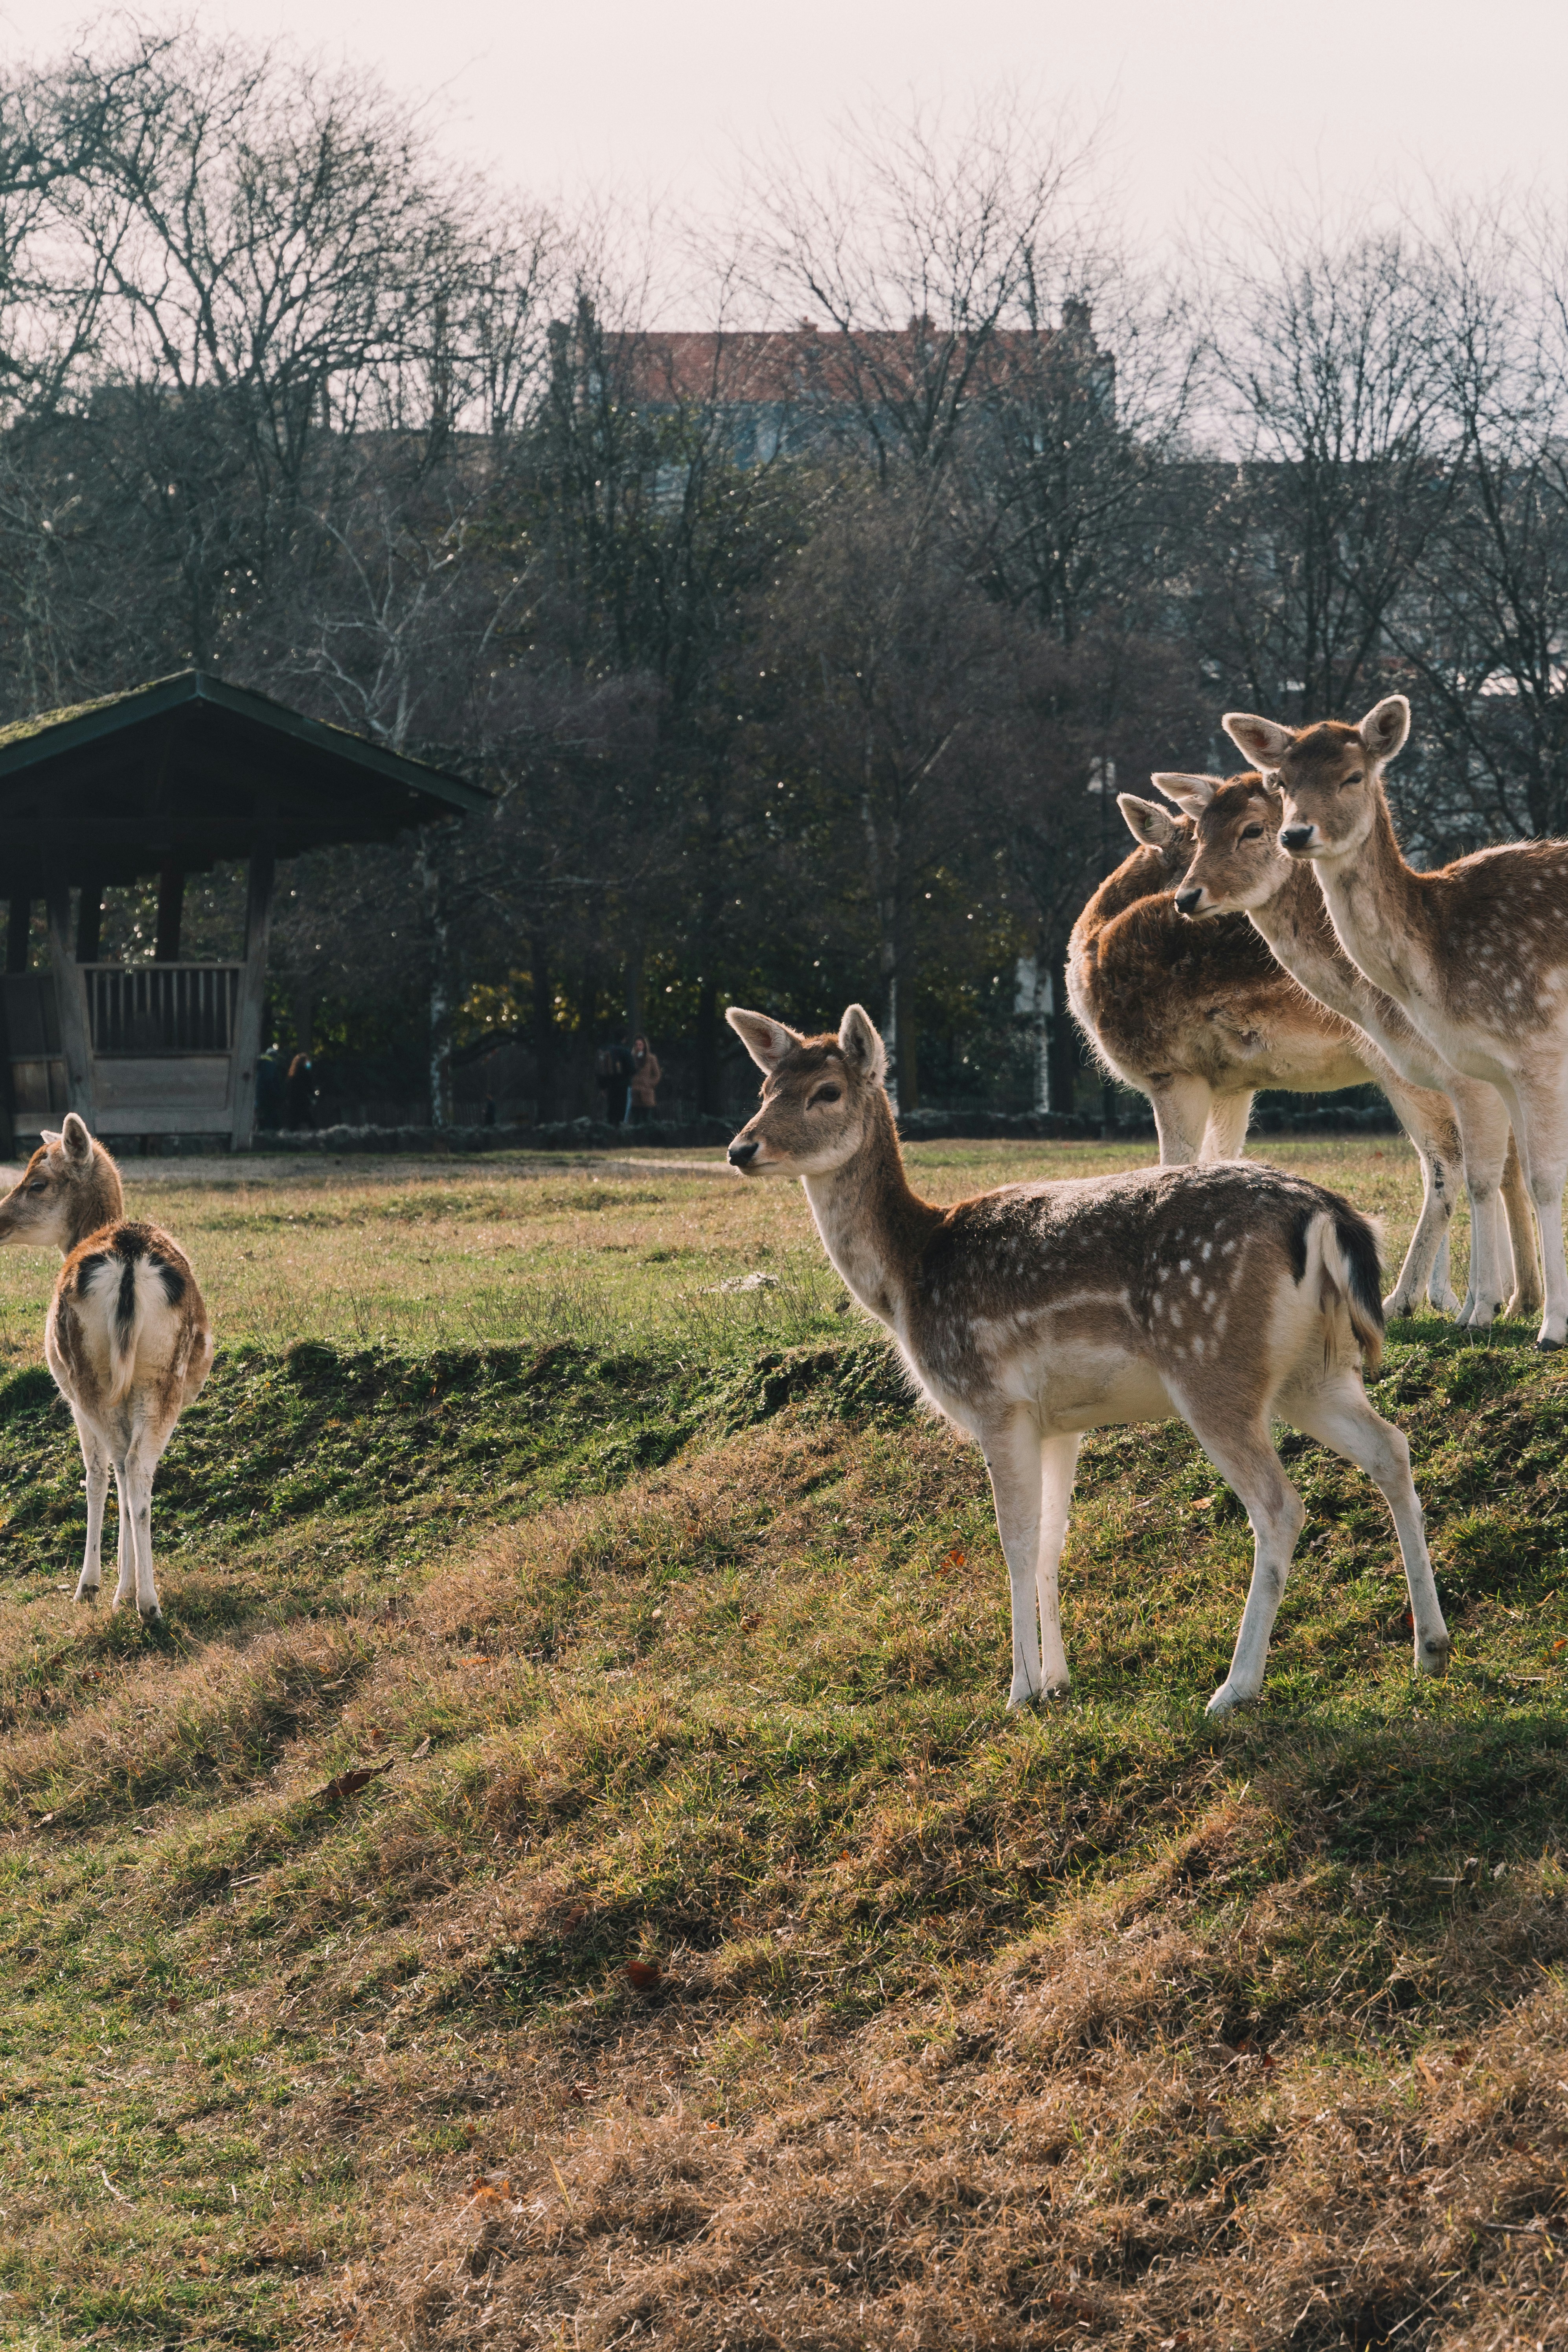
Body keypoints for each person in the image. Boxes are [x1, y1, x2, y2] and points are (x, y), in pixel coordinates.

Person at [626, 1035, 660, 1125]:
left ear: (645, 1046)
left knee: (647, 1121)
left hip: (647, 1094)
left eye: (641, 1045)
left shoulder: (651, 1059)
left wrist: (649, 1084)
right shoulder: (631, 1058)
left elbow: (657, 1075)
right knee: (635, 1121)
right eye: (637, 1045)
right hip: (634, 1094)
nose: (639, 1047)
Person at [254, 1042, 284, 1131]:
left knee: (264, 1115)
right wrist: (276, 1093)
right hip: (269, 1095)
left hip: (260, 1094)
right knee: (270, 1116)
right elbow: (270, 1080)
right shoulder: (270, 1064)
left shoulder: (261, 1063)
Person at [283, 1053, 316, 1130]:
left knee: (294, 1123)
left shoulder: (293, 1074)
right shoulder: (305, 1073)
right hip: (303, 1101)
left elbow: (289, 1088)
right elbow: (310, 1088)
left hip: (294, 1102)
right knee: (310, 1121)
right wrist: (314, 1097)